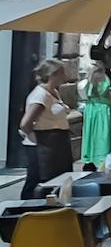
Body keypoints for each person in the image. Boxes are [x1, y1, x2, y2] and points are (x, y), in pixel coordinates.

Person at [19, 59, 74, 199]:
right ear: (52, 74)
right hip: (45, 145)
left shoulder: (54, 92)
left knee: (57, 180)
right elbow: (25, 123)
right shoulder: (41, 95)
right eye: (62, 73)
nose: (65, 76)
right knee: (39, 181)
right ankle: (28, 210)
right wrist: (34, 137)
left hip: (57, 143)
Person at [79, 64, 111, 170]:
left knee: (91, 135)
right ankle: (103, 158)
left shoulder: (85, 83)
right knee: (103, 135)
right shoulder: (105, 81)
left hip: (91, 110)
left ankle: (90, 157)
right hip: (103, 110)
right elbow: (110, 98)